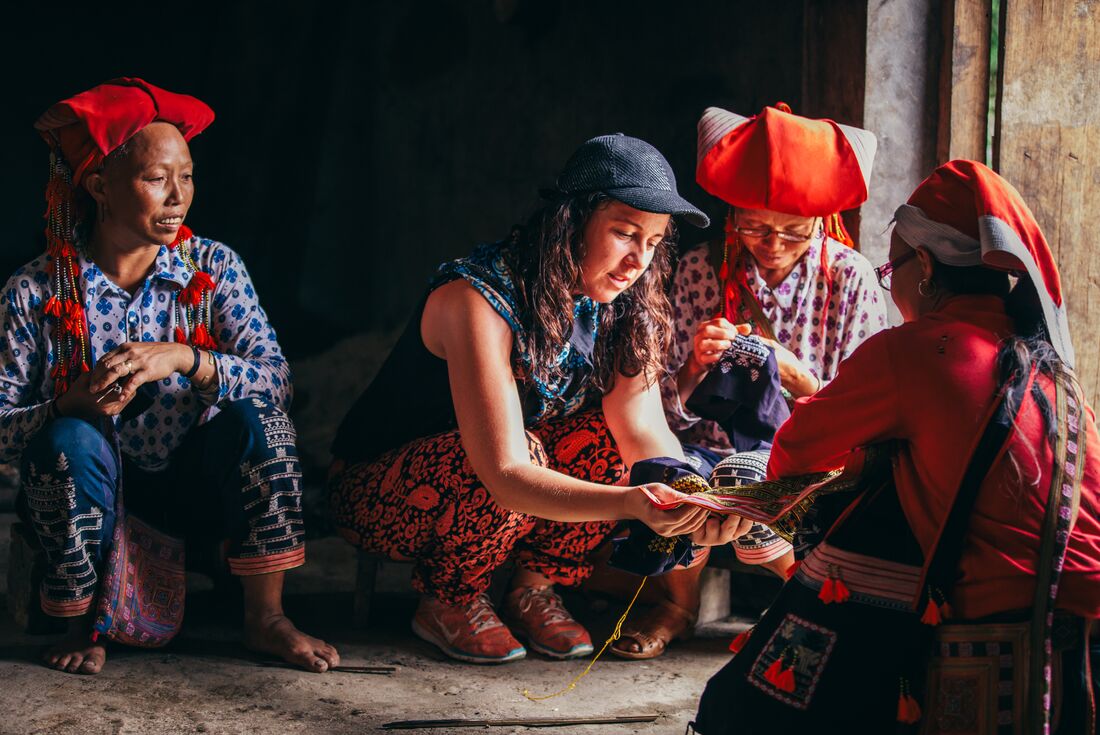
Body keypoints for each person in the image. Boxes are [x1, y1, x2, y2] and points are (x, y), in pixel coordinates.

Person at [696, 160, 1100, 731]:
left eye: (893, 269)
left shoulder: (914, 349)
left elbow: (792, 459)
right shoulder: (1045, 366)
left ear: (925, 267)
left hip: (1008, 624)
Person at [329, 133, 745, 664]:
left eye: (654, 242)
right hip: (379, 493)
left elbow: (640, 431)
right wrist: (630, 502)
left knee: (612, 445)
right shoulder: (476, 299)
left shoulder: (625, 305)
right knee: (520, 451)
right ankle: (449, 599)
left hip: (503, 489)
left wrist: (690, 499)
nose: (637, 260)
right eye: (624, 233)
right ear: (571, 223)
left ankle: (533, 587)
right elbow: (503, 470)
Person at [1, 78, 338, 674]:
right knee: (67, 440)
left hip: (194, 488)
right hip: (92, 492)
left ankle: (266, 618)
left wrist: (187, 358)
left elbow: (278, 383)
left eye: (187, 176)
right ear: (99, 186)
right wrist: (66, 407)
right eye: (157, 179)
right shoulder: (36, 291)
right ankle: (83, 621)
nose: (178, 197)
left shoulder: (214, 267)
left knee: (262, 421)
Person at [611, 104, 888, 659]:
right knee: (671, 478)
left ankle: (800, 607)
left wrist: (796, 375)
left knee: (750, 476)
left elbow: (869, 415)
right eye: (755, 227)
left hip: (805, 454)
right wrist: (695, 367)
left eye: (794, 232)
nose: (773, 244)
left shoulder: (850, 279)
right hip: (702, 446)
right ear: (732, 215)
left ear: (823, 222)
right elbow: (659, 407)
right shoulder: (699, 268)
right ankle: (678, 605)